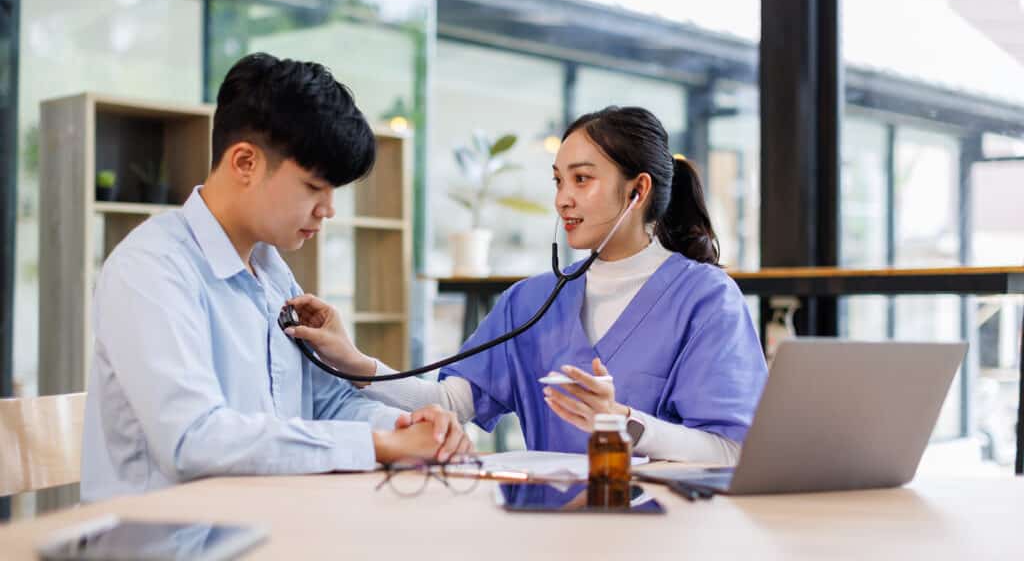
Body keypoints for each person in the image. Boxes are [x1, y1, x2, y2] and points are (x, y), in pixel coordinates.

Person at [80, 53, 469, 502]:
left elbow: (326, 405)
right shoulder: (151, 268)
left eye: (333, 191)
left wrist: (407, 427)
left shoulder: (272, 275)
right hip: (171, 544)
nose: (328, 210)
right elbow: (193, 440)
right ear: (245, 163)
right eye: (312, 187)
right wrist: (380, 444)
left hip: (270, 526)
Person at [284, 106, 767, 464]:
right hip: (549, 529)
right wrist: (352, 361)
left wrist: (622, 421)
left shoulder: (705, 299)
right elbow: (453, 402)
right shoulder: (530, 301)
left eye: (582, 180)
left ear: (637, 191)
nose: (563, 200)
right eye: (558, 181)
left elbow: (732, 450)